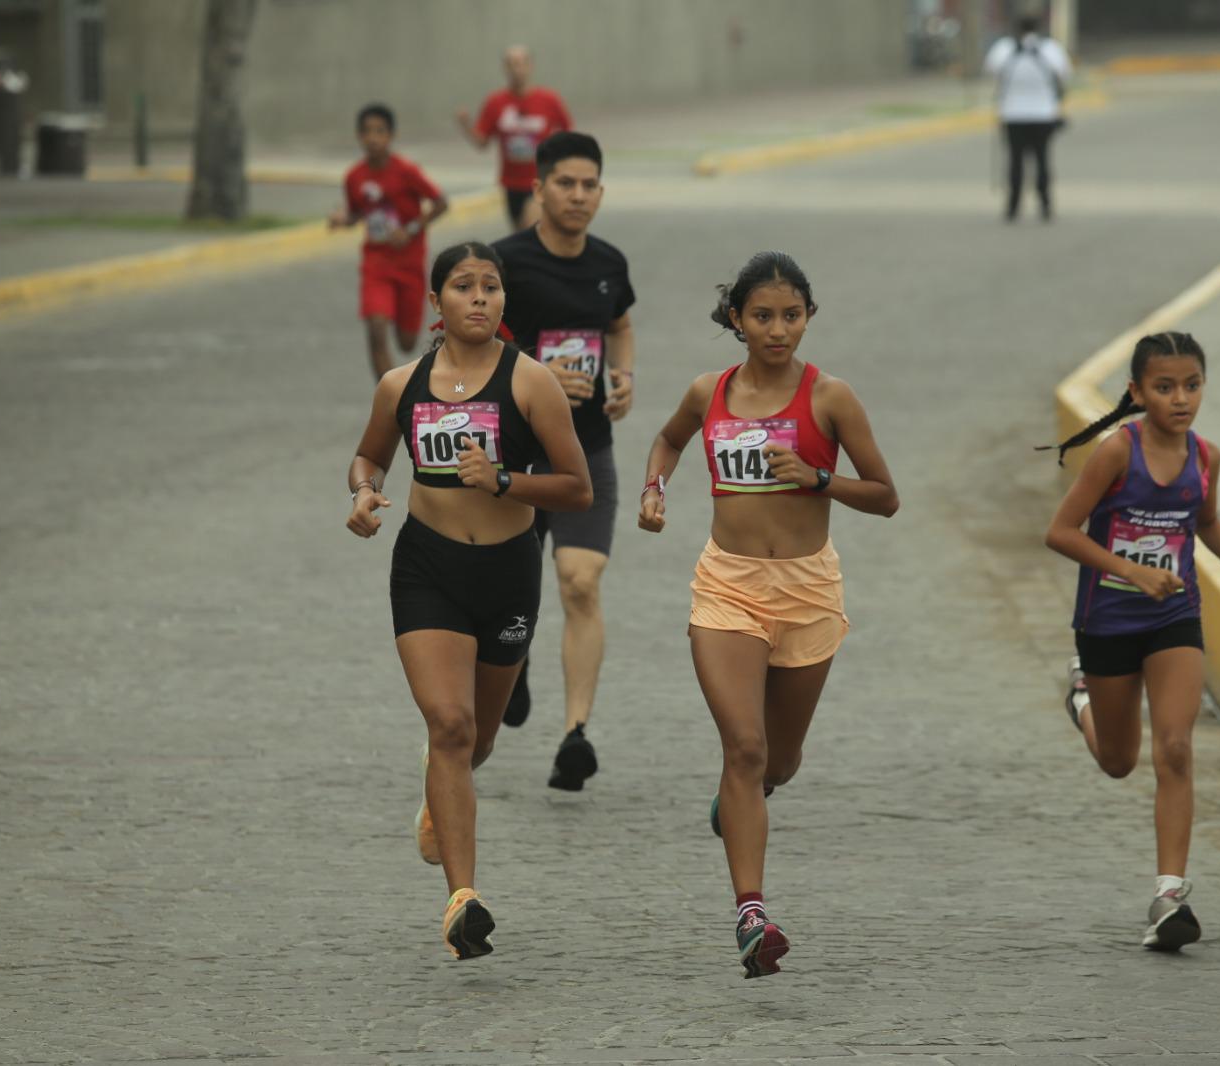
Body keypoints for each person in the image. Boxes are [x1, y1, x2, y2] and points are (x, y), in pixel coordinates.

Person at [637, 252, 899, 979]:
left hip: (809, 591)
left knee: (777, 760)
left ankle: (741, 798)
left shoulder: (831, 399)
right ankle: (752, 914)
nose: (777, 329)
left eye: (790, 315)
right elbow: (666, 440)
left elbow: (885, 495)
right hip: (728, 587)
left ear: (809, 316)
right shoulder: (707, 392)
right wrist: (655, 488)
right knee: (745, 748)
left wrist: (820, 478)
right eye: (761, 316)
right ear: (735, 320)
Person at [344, 241, 592, 960]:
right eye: (463, 286)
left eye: (491, 287)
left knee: (478, 739)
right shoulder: (401, 384)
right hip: (428, 566)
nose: (479, 298)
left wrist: (506, 481)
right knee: (448, 726)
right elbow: (369, 455)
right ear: (437, 302)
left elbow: (577, 486)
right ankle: (463, 901)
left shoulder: (532, 383)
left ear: (504, 302)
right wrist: (363, 492)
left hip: (509, 572)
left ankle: (440, 795)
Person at [1041, 331, 1220, 952]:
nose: (1180, 399)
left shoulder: (1207, 458)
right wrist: (1132, 572)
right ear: (1137, 392)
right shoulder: (1116, 454)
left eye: (1192, 386)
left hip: (1175, 617)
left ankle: (1169, 894)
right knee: (1119, 761)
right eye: (1165, 387)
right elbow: (1061, 532)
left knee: (1175, 747)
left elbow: (1204, 522)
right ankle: (1083, 699)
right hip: (1107, 621)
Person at [492, 132, 636, 792]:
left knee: (579, 582)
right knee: (510, 592)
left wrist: (625, 375)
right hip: (517, 460)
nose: (578, 196)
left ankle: (575, 734)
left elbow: (620, 323)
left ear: (601, 193)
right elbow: (468, 345)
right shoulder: (504, 264)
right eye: (566, 184)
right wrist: (536, 376)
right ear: (539, 190)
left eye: (589, 185)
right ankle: (510, 660)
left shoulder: (609, 262)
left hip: (587, 454)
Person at [331, 104, 449, 381]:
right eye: (367, 132)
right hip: (376, 263)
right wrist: (342, 219)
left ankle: (396, 313)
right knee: (375, 330)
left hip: (409, 264)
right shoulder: (354, 177)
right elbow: (358, 212)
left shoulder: (406, 171)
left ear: (391, 135)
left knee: (407, 342)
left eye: (380, 131)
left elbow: (441, 203)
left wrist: (409, 230)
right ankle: (392, 400)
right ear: (359, 136)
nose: (373, 138)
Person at [456, 46, 574, 231]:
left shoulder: (549, 100)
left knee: (531, 230)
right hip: (511, 183)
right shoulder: (496, 102)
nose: (516, 69)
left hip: (540, 180)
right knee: (520, 236)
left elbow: (568, 134)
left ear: (530, 66)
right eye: (511, 64)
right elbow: (482, 143)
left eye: (520, 63)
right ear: (504, 68)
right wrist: (465, 126)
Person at [983, 16, 1072, 222]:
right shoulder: (1050, 49)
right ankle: (1045, 205)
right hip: (1043, 114)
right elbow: (1065, 73)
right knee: (1042, 159)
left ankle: (1013, 206)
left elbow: (990, 71)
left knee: (1015, 161)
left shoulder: (1004, 49)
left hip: (1013, 115)